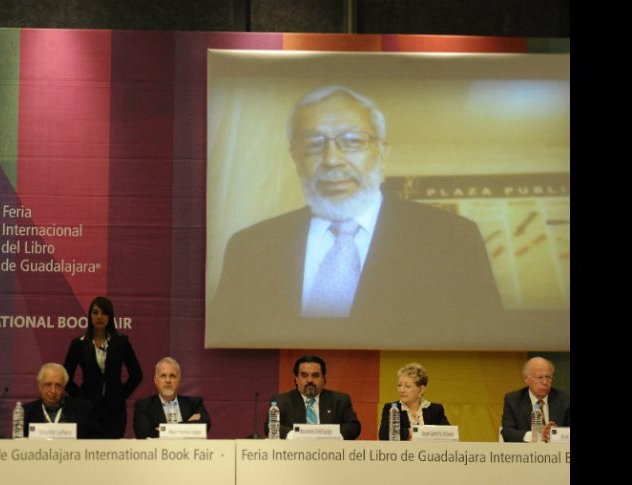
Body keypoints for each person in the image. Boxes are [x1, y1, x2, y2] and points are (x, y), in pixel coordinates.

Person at [210, 85, 502, 347]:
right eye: (314, 144)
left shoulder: (453, 239)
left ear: (382, 153)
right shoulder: (248, 246)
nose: (332, 160)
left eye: (352, 141)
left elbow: (482, 344)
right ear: (295, 157)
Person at [63, 296, 143, 438]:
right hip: (87, 410)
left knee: (113, 450)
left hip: (114, 413)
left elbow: (137, 375)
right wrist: (81, 399)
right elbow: (65, 377)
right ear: (90, 316)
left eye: (104, 313)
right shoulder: (79, 344)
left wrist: (120, 395)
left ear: (110, 316)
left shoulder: (121, 342)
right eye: (95, 312)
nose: (99, 317)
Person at [265, 355, 361, 440]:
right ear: (296, 379)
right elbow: (269, 426)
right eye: (304, 375)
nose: (310, 380)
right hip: (293, 452)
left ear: (324, 379)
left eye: (315, 375)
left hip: (332, 451)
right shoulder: (282, 401)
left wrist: (334, 436)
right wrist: (294, 435)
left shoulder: (340, 400)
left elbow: (353, 426)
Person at [133, 356, 211, 438]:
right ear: (156, 380)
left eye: (172, 376)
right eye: (163, 376)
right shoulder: (144, 405)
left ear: (179, 380)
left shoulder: (194, 403)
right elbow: (144, 434)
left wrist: (162, 429)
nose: (168, 380)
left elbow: (204, 427)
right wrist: (187, 424)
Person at [501, 356, 570, 442]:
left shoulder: (565, 400)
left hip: (558, 450)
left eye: (548, 377)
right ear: (527, 380)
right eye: (540, 377)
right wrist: (536, 435)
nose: (545, 382)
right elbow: (507, 433)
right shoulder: (513, 400)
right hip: (526, 450)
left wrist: (558, 433)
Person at [23, 363, 100, 438]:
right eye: (48, 385)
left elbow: (97, 440)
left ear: (64, 387)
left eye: (58, 385)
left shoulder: (83, 409)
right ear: (40, 386)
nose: (53, 391)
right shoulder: (26, 412)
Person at [377, 362, 449, 440]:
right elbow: (383, 434)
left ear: (421, 390)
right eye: (399, 385)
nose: (401, 390)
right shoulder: (391, 408)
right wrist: (409, 433)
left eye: (407, 386)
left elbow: (449, 434)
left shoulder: (435, 410)